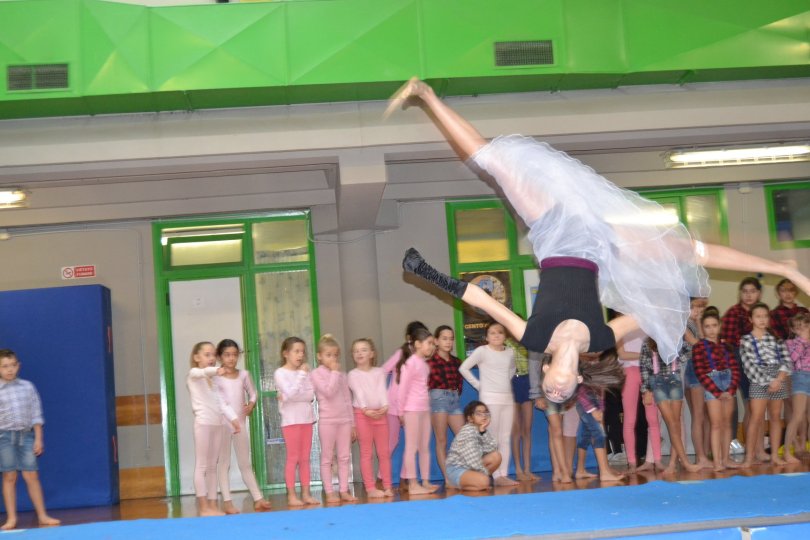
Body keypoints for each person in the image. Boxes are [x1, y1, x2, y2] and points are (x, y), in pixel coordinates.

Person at [389, 77, 810, 404]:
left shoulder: (536, 340)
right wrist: (676, 292)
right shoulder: (602, 339)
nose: (554, 393)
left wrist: (426, 274)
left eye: (550, 394)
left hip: (554, 234)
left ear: (551, 371)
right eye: (561, 394)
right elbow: (652, 313)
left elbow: (482, 301)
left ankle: (425, 94)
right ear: (573, 380)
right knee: (685, 250)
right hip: (600, 245)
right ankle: (781, 268)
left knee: (492, 161)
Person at [0, 350, 60, 530]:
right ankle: (11, 519)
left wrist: (38, 439)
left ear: (18, 365)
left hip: (27, 436)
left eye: (12, 365)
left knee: (31, 475)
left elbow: (36, 415)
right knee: (9, 476)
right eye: (4, 366)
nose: (9, 370)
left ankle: (42, 515)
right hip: (4, 437)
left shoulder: (28, 386)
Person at [214, 339, 271, 514]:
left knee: (245, 463)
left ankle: (258, 498)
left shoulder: (243, 374)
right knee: (223, 463)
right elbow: (219, 401)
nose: (231, 358)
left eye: (234, 355)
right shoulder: (215, 377)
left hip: (240, 424)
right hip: (223, 424)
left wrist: (251, 404)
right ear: (219, 356)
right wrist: (230, 417)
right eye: (227, 355)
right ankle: (227, 501)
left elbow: (253, 393)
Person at [459, 322, 518, 486]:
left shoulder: (510, 352)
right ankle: (495, 474)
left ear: (505, 336)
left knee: (505, 438)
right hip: (489, 399)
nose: (496, 335)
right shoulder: (482, 351)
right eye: (492, 333)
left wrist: (504, 382)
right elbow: (464, 368)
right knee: (492, 439)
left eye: (500, 332)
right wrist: (480, 386)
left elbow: (512, 370)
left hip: (507, 399)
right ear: (486, 337)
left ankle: (503, 474)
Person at [187, 341, 239, 517]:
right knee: (201, 465)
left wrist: (234, 419)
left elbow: (222, 403)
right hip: (203, 424)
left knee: (212, 466)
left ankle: (212, 505)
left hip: (217, 424)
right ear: (196, 357)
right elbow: (203, 371)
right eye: (207, 355)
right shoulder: (194, 374)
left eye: (212, 355)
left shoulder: (214, 380)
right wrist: (216, 370)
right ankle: (202, 507)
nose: (211, 358)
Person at [739, 303, 791, 468]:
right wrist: (769, 381)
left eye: (765, 316)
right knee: (756, 418)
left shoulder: (776, 339)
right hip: (758, 380)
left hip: (778, 378)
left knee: (775, 418)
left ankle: (775, 455)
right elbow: (749, 366)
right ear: (751, 319)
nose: (762, 319)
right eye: (758, 316)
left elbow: (786, 361)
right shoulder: (746, 340)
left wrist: (779, 379)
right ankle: (749, 457)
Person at [639, 339, 700, 474]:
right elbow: (644, 368)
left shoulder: (674, 338)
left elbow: (688, 354)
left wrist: (676, 343)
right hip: (657, 383)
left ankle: (673, 463)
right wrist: (646, 390)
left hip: (675, 380)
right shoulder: (647, 342)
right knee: (671, 423)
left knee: (676, 423)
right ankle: (685, 462)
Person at [692, 311, 742, 472]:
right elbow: (700, 373)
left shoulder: (726, 346)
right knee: (716, 424)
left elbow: (735, 369)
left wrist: (731, 389)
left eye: (714, 325)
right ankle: (717, 461)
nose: (711, 329)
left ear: (719, 326)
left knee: (727, 424)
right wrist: (717, 392)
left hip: (729, 386)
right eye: (707, 326)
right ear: (703, 329)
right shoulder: (699, 347)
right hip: (711, 386)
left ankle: (726, 458)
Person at [310, 334, 357, 504]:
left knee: (344, 456)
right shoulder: (316, 374)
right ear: (320, 356)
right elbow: (328, 392)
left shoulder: (341, 375)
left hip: (344, 420)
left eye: (335, 355)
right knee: (327, 457)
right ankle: (329, 491)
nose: (332, 358)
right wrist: (335, 373)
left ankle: (344, 490)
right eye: (328, 355)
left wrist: (353, 424)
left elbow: (347, 399)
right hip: (328, 420)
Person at [273, 337, 319, 507]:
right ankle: (292, 495)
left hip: (306, 418)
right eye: (296, 351)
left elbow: (310, 396)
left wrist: (288, 395)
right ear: (286, 353)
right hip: (290, 421)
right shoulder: (280, 373)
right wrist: (299, 379)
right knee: (293, 457)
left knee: (305, 458)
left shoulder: (305, 372)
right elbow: (292, 393)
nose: (300, 355)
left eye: (302, 351)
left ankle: (306, 494)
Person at [347, 338, 394, 498]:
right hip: (362, 415)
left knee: (384, 452)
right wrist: (365, 409)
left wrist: (385, 406)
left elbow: (382, 390)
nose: (360, 353)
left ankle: (387, 486)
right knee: (366, 453)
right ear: (353, 355)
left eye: (364, 349)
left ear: (372, 353)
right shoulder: (352, 374)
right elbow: (359, 393)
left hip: (380, 414)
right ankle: (370, 488)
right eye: (356, 350)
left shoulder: (379, 372)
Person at [382, 320, 428, 479]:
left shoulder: (422, 359)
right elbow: (383, 370)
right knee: (392, 442)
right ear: (411, 339)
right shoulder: (401, 353)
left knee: (412, 444)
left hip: (412, 407)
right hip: (395, 405)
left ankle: (406, 479)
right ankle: (381, 478)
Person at [396, 326, 439, 494]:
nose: (432, 347)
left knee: (424, 446)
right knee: (412, 447)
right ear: (418, 344)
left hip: (424, 410)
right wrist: (401, 412)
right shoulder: (410, 364)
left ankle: (425, 481)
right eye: (429, 343)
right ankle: (413, 483)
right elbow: (402, 390)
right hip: (412, 410)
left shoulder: (424, 365)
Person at [617, 328, 661, 473]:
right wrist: (645, 355)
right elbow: (622, 354)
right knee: (630, 419)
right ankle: (631, 462)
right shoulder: (621, 328)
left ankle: (658, 460)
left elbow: (656, 351)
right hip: (629, 373)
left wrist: (646, 357)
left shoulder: (648, 326)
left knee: (652, 418)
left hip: (648, 372)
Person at [427, 325, 465, 483]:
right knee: (441, 440)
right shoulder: (429, 362)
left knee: (463, 437)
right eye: (444, 338)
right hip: (438, 398)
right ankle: (448, 479)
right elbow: (424, 385)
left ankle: (460, 473)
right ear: (436, 341)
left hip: (454, 398)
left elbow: (460, 382)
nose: (448, 342)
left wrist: (455, 392)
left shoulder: (456, 361)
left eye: (451, 339)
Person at [530, 353, 574, 483]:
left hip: (561, 393)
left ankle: (557, 471)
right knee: (557, 431)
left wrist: (570, 394)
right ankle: (564, 471)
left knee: (554, 431)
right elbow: (534, 369)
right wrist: (537, 395)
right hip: (547, 393)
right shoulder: (539, 348)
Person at [680, 297, 713, 469]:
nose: (698, 311)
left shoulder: (695, 322)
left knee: (706, 415)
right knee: (698, 415)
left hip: (702, 367)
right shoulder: (682, 323)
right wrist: (712, 346)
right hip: (691, 368)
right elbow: (696, 342)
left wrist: (699, 320)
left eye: (701, 308)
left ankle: (705, 454)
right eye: (695, 307)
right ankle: (700, 456)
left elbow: (702, 338)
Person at [573, 379, 624, 482]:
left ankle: (580, 470)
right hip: (586, 404)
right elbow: (579, 390)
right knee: (599, 434)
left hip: (594, 402)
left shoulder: (598, 369)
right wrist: (592, 409)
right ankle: (604, 473)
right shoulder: (584, 368)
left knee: (585, 435)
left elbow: (601, 391)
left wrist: (601, 408)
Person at [444, 401, 501, 491]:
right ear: (470, 418)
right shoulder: (468, 431)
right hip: (456, 469)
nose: (484, 416)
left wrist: (483, 432)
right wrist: (483, 475)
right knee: (484, 481)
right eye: (479, 413)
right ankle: (455, 483)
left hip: (470, 466)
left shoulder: (480, 429)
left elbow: (493, 448)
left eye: (485, 413)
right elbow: (472, 460)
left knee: (496, 456)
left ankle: (476, 482)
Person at [509, 339, 538, 482]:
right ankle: (518, 470)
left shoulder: (528, 342)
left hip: (527, 381)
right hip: (512, 381)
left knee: (527, 429)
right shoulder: (506, 343)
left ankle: (527, 469)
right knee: (516, 430)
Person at [784, 313, 810, 463]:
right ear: (793, 330)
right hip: (799, 377)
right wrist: (802, 340)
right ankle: (788, 451)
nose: (804, 330)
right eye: (799, 328)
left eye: (806, 326)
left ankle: (805, 447)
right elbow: (792, 359)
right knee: (798, 416)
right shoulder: (790, 343)